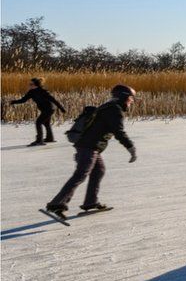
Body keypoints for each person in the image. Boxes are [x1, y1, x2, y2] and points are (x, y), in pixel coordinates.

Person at [45, 85, 138, 219]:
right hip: (88, 147)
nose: (132, 101)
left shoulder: (108, 107)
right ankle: (56, 204)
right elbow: (119, 131)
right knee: (81, 174)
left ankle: (90, 202)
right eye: (130, 98)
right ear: (123, 97)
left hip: (89, 146)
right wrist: (131, 148)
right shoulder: (114, 110)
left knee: (99, 170)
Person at [9, 77, 67, 146]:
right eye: (29, 84)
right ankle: (50, 138)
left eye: (31, 84)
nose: (29, 85)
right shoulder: (31, 92)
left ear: (35, 85)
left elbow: (53, 100)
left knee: (38, 123)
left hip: (49, 109)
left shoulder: (43, 91)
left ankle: (39, 140)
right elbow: (23, 100)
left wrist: (61, 108)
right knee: (46, 123)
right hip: (44, 109)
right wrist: (14, 102)